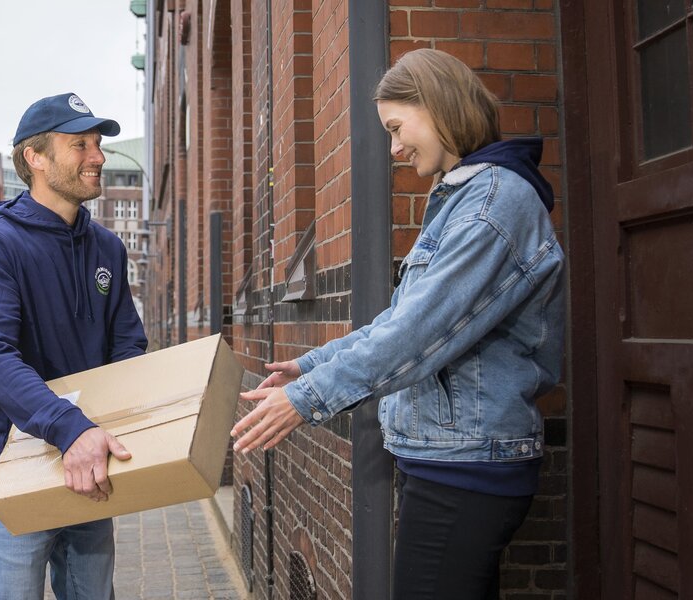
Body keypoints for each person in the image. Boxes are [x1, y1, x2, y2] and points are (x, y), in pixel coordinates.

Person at [231, 48, 565, 599]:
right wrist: (312, 364)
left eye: (396, 126)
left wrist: (308, 397)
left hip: (466, 468)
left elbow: (417, 335)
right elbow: (403, 319)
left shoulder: (495, 204)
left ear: (436, 105)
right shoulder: (466, 198)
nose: (394, 147)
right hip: (446, 458)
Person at [0, 92, 148, 600]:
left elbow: (128, 345)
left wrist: (107, 430)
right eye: (80, 145)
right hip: (12, 468)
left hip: (88, 467)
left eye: (98, 144)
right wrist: (71, 429)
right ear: (36, 158)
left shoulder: (107, 248)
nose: (98, 156)